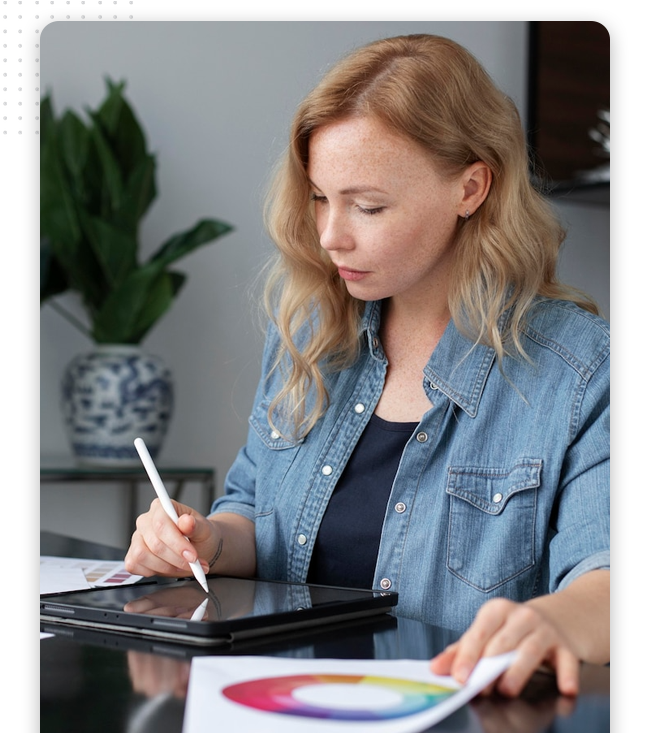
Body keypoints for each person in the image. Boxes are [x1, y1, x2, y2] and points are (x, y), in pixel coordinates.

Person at [125, 34, 610, 698]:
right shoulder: (310, 335)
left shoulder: (580, 368)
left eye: (369, 206)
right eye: (321, 198)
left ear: (471, 187)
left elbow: (611, 577)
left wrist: (552, 621)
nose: (330, 236)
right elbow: (252, 510)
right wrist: (205, 540)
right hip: (293, 716)